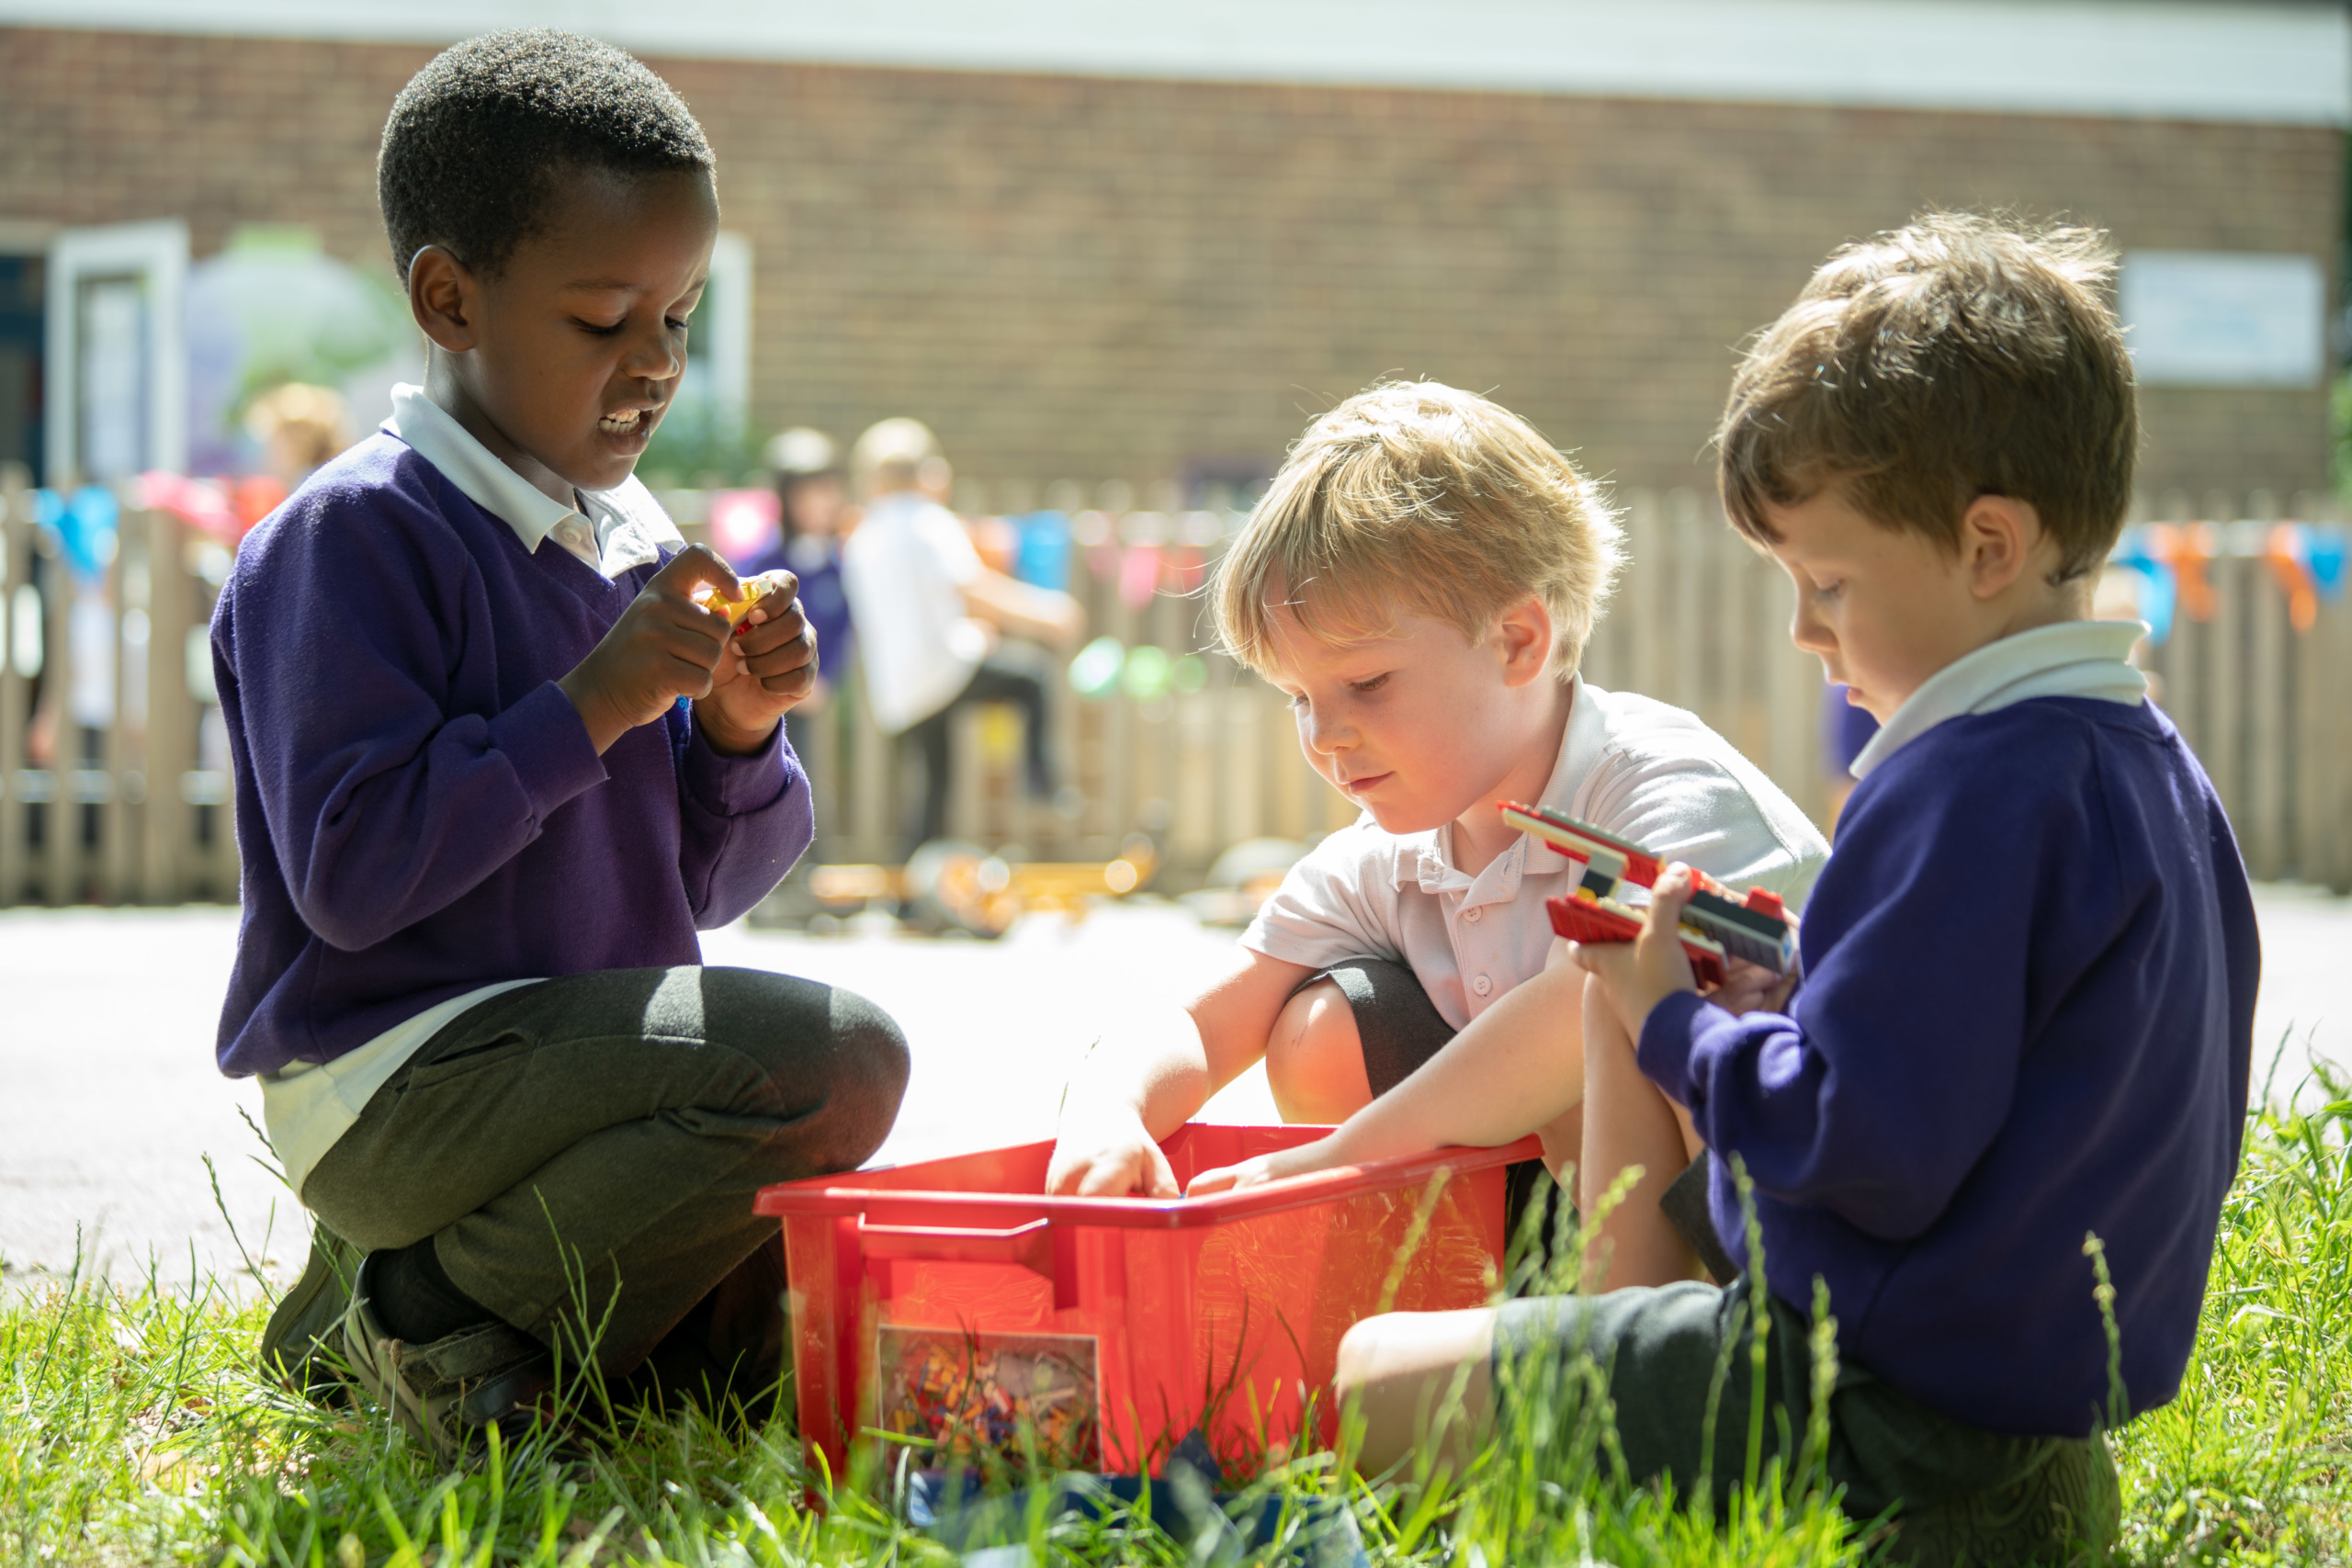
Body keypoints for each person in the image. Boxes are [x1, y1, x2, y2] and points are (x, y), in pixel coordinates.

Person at [1330, 218, 2259, 1564]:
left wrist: (1677, 1021)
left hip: (1878, 1416)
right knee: (1618, 992)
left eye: (1827, 583)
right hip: (2038, 1419)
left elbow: (1860, 1143)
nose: (1804, 631)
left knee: (1372, 1374)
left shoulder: (1955, 782)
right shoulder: (2145, 766)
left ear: (1988, 545)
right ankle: (1619, 1461)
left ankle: (1602, 1483)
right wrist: (1776, 988)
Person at [228, 30, 910, 1459]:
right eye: (607, 318)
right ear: (450, 297)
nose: (653, 363)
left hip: (580, 1064)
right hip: (400, 1076)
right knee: (837, 1059)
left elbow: (708, 890)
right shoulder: (355, 535)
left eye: (681, 317)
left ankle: (356, 1323)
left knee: (780, 1338)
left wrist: (733, 734)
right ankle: (414, 1302)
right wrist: (592, 703)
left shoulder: (634, 534)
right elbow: (354, 875)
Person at [1046, 381, 1827, 1249]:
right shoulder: (1394, 847)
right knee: (1317, 1030)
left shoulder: (1663, 789)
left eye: (1366, 683)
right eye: (1297, 696)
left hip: (1789, 1229)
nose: (1324, 734)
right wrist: (1105, 1114)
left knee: (1632, 1000)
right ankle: (1496, 1304)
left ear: (1518, 641)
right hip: (1582, 1207)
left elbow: (1570, 1016)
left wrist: (1337, 1158)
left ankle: (1667, 1352)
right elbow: (1200, 1019)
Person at [838, 417, 1083, 852]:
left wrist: (966, 634)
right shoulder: (928, 521)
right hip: (942, 669)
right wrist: (1046, 615)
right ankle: (1041, 783)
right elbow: (974, 586)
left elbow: (908, 609)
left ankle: (912, 884)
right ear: (929, 474)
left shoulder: (864, 537)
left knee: (933, 786)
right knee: (1033, 678)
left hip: (897, 689)